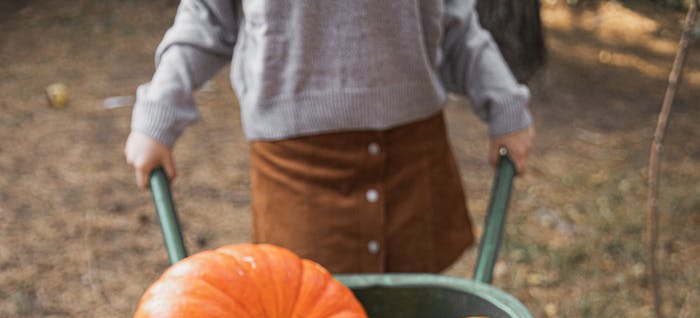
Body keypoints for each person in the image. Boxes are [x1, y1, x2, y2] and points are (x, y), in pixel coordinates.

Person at [125, 0, 534, 274]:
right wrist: (158, 113)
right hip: (296, 166)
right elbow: (207, 20)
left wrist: (505, 104)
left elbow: (455, 20)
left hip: (414, 152)